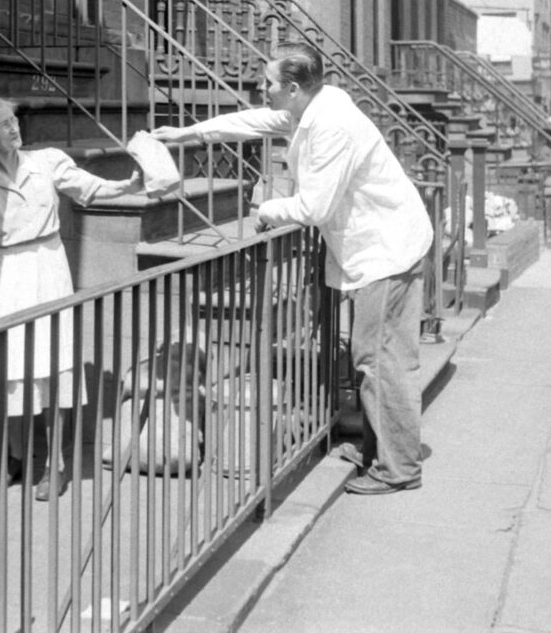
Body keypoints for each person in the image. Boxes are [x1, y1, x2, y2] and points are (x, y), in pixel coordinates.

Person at [152, 43, 433, 495]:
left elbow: (313, 206)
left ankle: (398, 469)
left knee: (377, 359)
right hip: (382, 246)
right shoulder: (311, 110)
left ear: (294, 88)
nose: (260, 88)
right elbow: (249, 122)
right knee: (379, 358)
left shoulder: (332, 126)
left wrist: (266, 209)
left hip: (387, 250)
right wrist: (186, 134)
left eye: (268, 83)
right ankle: (378, 451)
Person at [0, 96, 142, 500]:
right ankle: (14, 456)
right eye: (2, 124)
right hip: (3, 271)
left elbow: (89, 187)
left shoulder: (47, 161)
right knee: (8, 364)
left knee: (53, 363)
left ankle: (56, 464)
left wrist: (127, 185)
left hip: (47, 265)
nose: (14, 128)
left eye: (14, 120)